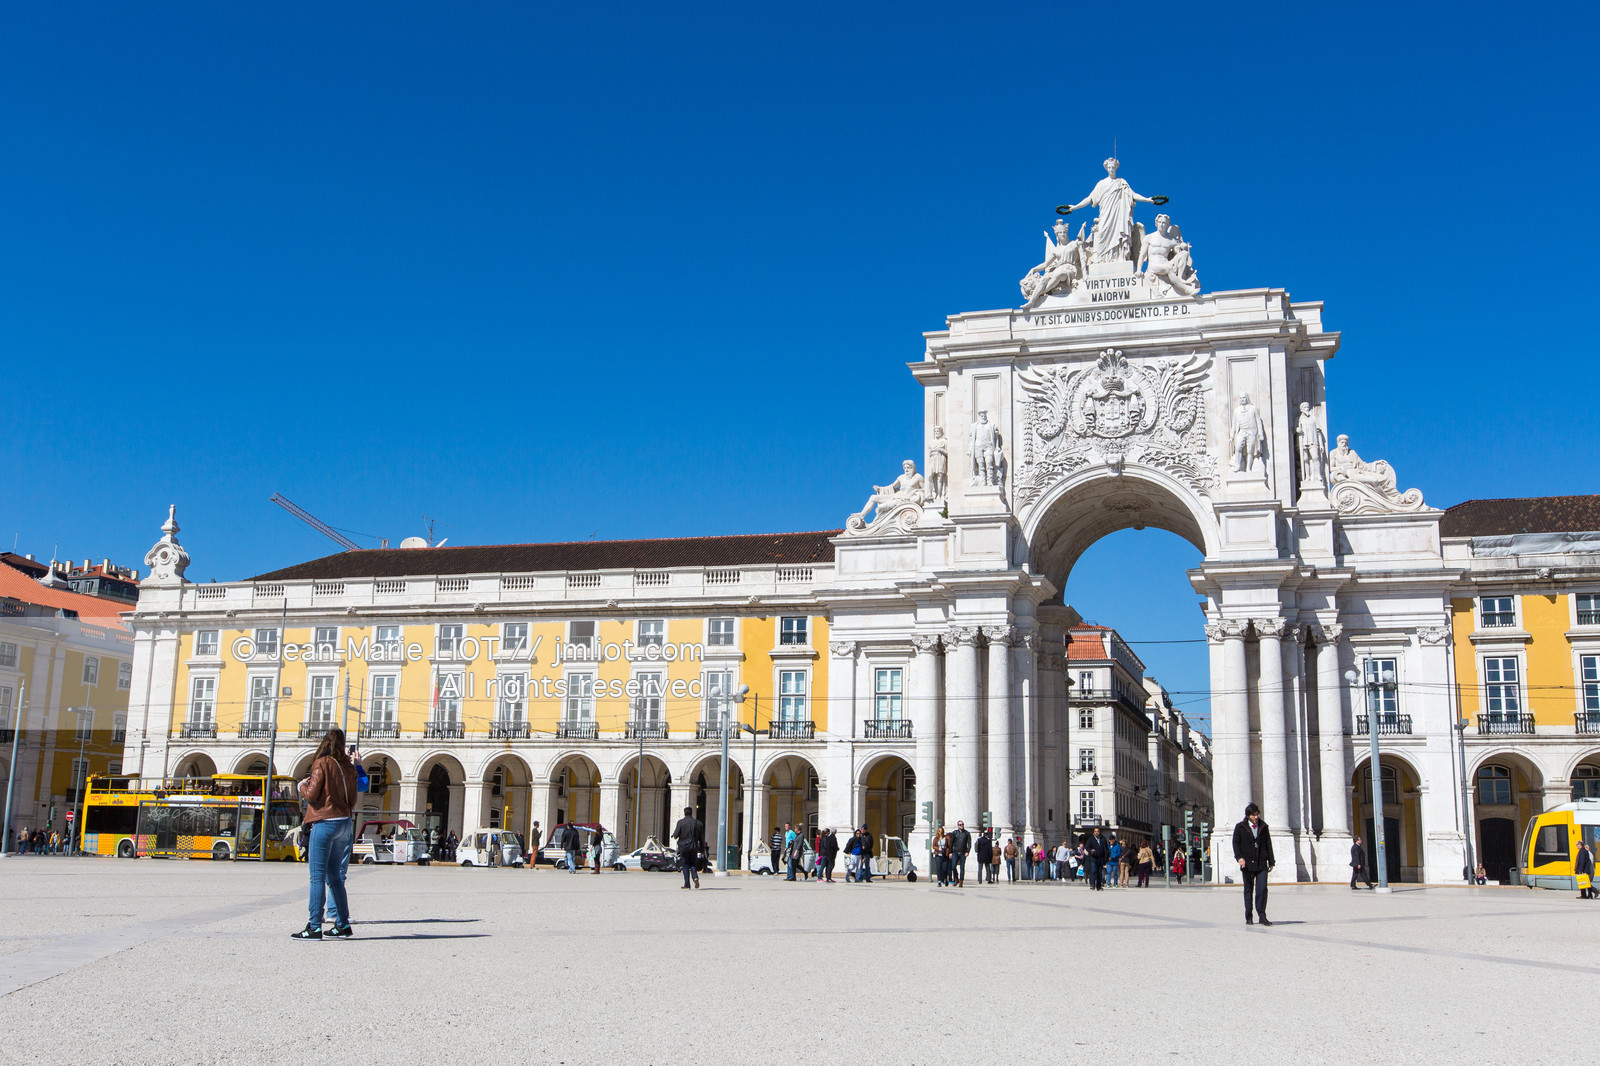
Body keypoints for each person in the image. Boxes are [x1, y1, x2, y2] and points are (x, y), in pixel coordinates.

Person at [292, 728, 359, 941]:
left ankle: (313, 926)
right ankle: (342, 923)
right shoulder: (349, 766)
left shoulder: (322, 763)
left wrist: (302, 786)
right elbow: (353, 800)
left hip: (325, 822)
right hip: (345, 823)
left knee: (317, 876)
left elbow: (312, 795)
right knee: (335, 877)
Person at [1232, 803, 1276, 926]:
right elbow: (1236, 844)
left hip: (1261, 862)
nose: (1256, 817)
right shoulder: (1240, 827)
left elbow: (1268, 844)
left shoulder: (1263, 826)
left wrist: (1271, 861)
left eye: (1257, 814)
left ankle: (1262, 915)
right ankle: (1249, 916)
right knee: (1248, 889)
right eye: (1253, 815)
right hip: (1247, 863)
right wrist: (1239, 858)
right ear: (1248, 816)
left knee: (1262, 889)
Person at [672, 806, 703, 889]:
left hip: (684, 848)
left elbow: (675, 835)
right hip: (694, 847)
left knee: (685, 865)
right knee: (693, 864)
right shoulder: (698, 823)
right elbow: (701, 838)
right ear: (692, 813)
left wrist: (675, 834)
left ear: (684, 813)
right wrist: (702, 849)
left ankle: (687, 884)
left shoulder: (680, 822)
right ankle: (695, 877)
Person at [947, 821, 971, 887]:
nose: (961, 826)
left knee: (962, 867)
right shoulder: (954, 833)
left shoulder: (967, 833)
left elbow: (969, 843)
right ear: (958, 826)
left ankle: (961, 881)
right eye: (960, 825)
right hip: (955, 852)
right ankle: (956, 878)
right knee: (953, 866)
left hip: (963, 852)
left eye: (962, 824)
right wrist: (950, 852)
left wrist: (967, 852)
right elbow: (951, 843)